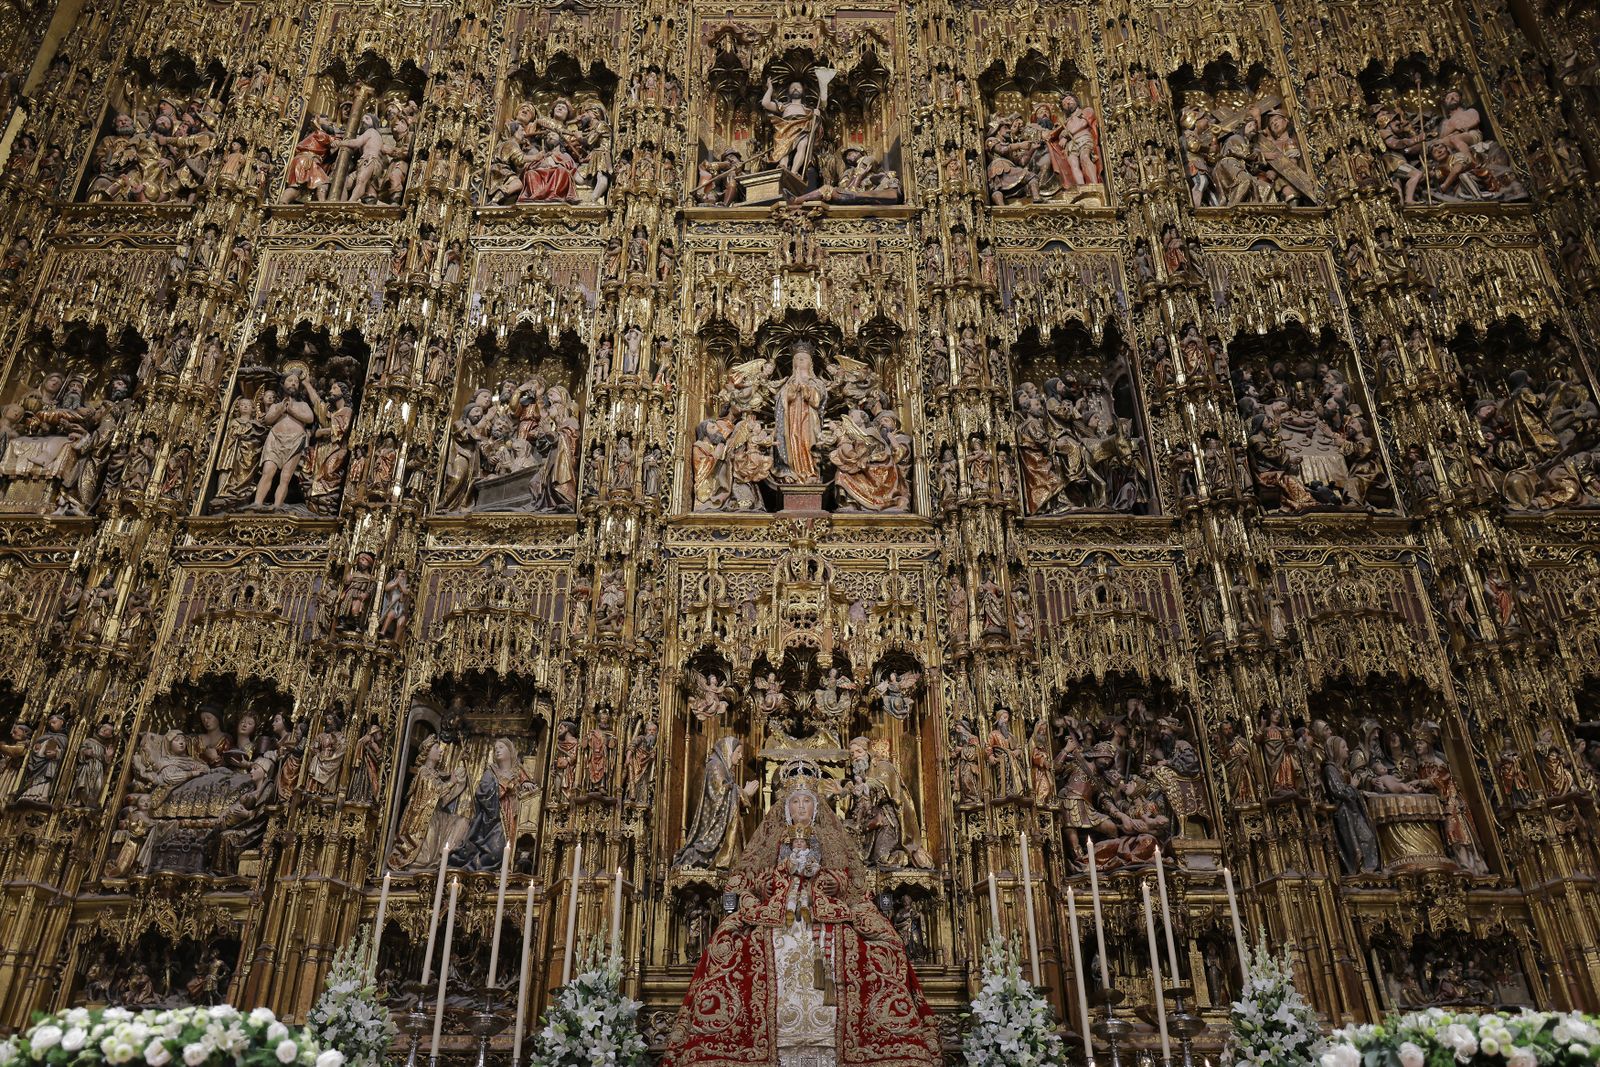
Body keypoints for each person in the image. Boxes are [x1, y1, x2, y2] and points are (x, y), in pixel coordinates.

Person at [663, 770, 942, 1066]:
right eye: (795, 802)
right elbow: (740, 882)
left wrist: (838, 883)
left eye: (806, 802)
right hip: (776, 915)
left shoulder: (831, 839)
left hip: (824, 914)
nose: (800, 808)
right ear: (786, 807)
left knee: (882, 945)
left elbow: (858, 883)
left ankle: (849, 1034)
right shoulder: (770, 839)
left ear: (816, 807)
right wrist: (761, 886)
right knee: (728, 944)